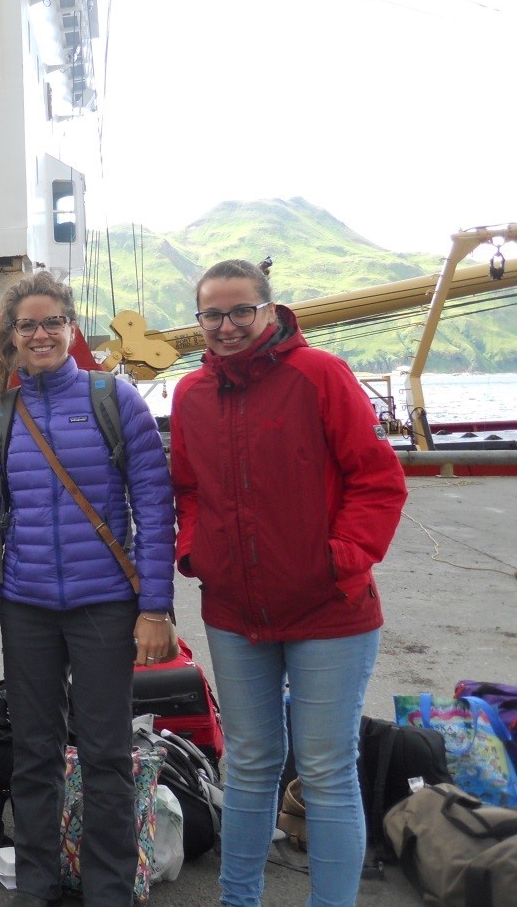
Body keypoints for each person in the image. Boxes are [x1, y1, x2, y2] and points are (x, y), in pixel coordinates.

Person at [169, 259, 407, 907]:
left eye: (239, 310)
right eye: (211, 313)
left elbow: (375, 477)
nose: (225, 325)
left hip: (330, 608)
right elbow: (187, 491)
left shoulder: (318, 375)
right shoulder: (190, 395)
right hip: (234, 608)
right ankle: (236, 898)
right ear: (199, 322)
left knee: (327, 771)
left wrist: (339, 558)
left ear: (268, 312)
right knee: (247, 763)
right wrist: (198, 553)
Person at [0, 273, 176, 907]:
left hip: (106, 604)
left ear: (72, 328)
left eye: (52, 322)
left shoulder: (115, 398)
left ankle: (110, 890)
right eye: (27, 325)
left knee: (107, 754)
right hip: (26, 605)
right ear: (12, 337)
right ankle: (38, 886)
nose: (41, 334)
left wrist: (155, 607)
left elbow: (155, 508)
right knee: (34, 753)